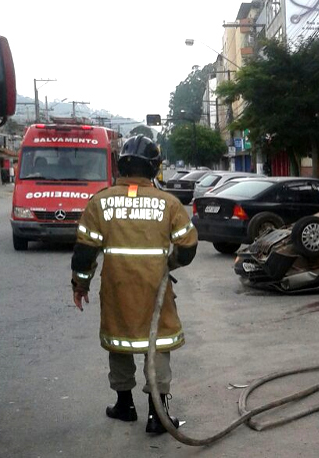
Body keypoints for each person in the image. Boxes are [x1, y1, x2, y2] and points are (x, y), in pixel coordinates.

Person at [70, 135, 198, 434]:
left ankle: (124, 405)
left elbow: (85, 251)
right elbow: (188, 245)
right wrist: (170, 264)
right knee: (158, 345)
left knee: (120, 342)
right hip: (156, 289)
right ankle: (158, 415)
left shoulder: (100, 202)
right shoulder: (168, 203)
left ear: (122, 164)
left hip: (116, 288)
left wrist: (80, 285)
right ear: (154, 168)